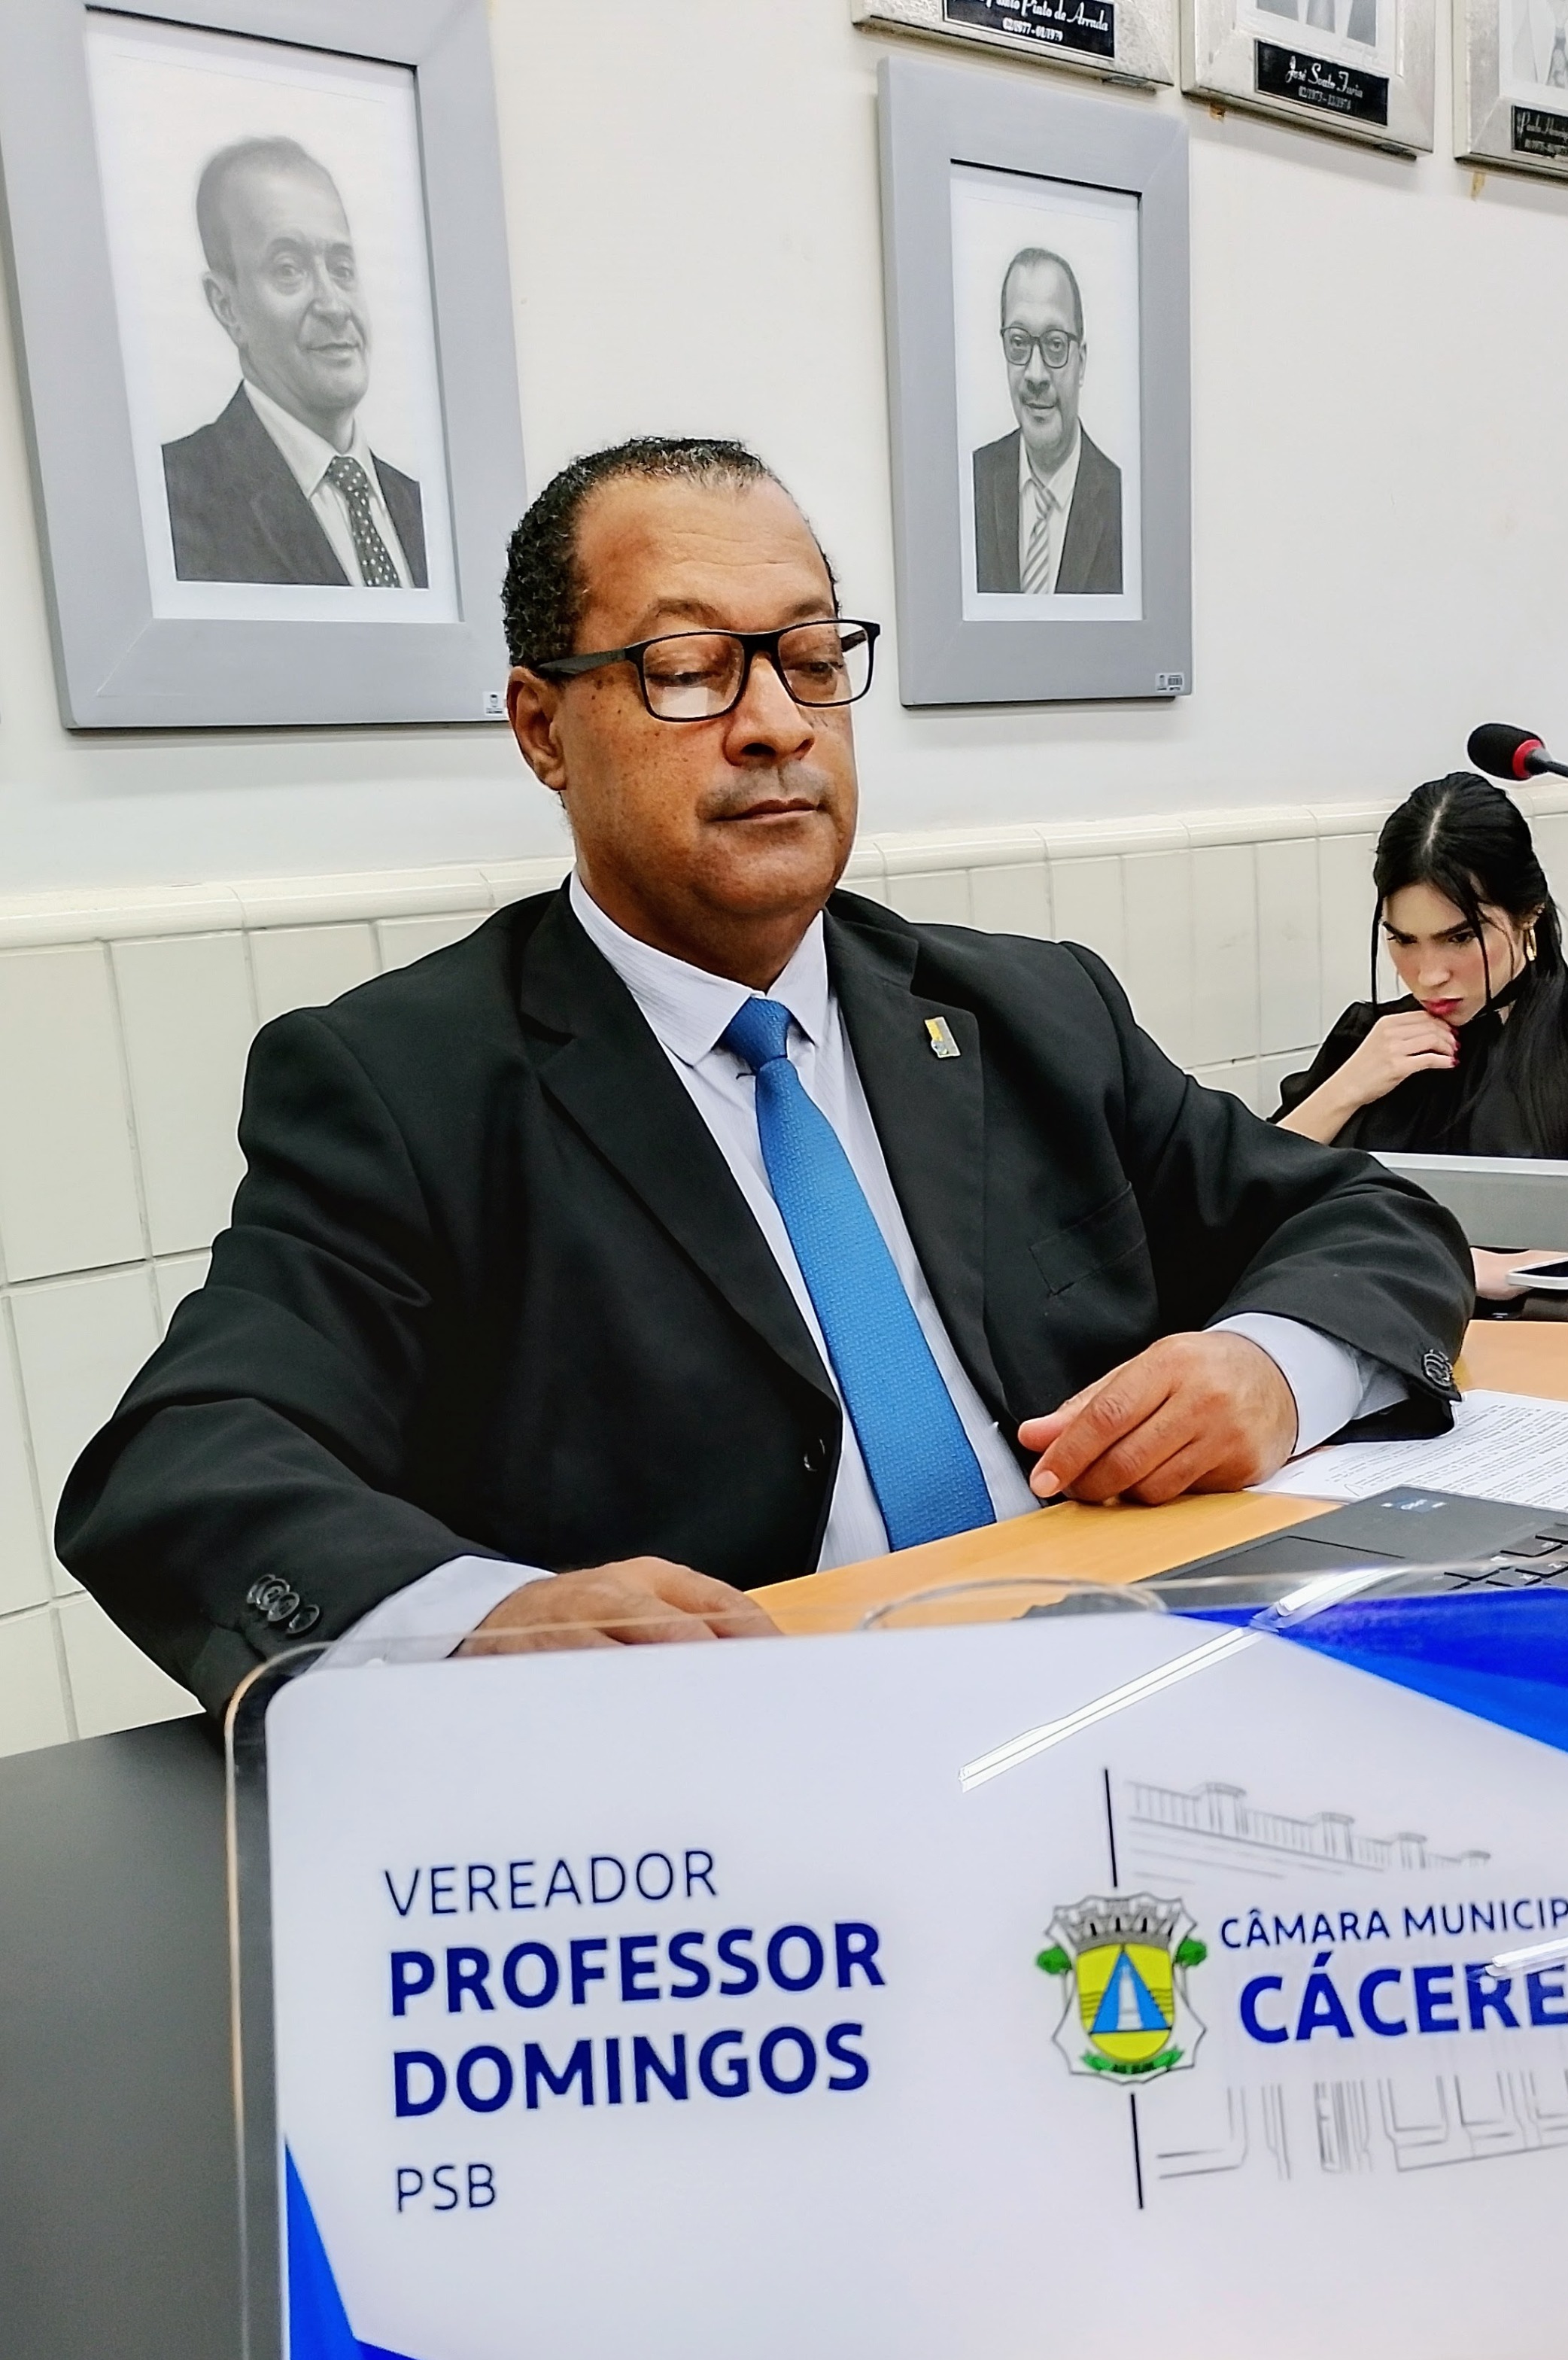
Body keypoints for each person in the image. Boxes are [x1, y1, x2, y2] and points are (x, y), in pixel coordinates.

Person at [57, 436, 1470, 1713]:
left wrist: (1268, 1369)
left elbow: (1367, 1219)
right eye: (687, 668)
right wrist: (482, 1621)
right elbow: (184, 1465)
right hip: (737, 1777)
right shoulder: (404, 1087)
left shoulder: (1027, 1007)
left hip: (1123, 1680)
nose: (777, 723)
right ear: (542, 729)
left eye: (808, 657)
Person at [1272, 771, 1568, 1291]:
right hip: (1371, 1313)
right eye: (1404, 940)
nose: (1429, 975)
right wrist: (1346, 1088)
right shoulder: (1369, 1038)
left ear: (1528, 914)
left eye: (1460, 937)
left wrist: (1528, 1268)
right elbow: (1243, 1199)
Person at [162, 136, 427, 588]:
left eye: (342, 269)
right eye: (289, 269)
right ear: (227, 306)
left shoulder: (421, 507)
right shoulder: (176, 500)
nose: (334, 306)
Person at [972, 249, 1122, 598]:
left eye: (1055, 344)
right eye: (1019, 342)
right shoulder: (970, 484)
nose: (1035, 374)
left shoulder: (1123, 503)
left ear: (1081, 362)